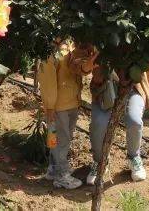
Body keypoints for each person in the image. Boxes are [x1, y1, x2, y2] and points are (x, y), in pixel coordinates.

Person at [38, 41, 97, 189]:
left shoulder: (70, 44)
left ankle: (53, 168)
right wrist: (50, 106)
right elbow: (48, 82)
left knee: (57, 138)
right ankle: (61, 175)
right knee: (60, 140)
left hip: (70, 102)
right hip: (59, 106)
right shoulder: (49, 51)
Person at [87, 65, 149, 185]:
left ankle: (134, 157)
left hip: (133, 88)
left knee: (135, 121)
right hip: (104, 87)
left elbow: (148, 66)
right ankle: (99, 161)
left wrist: (148, 91)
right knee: (98, 123)